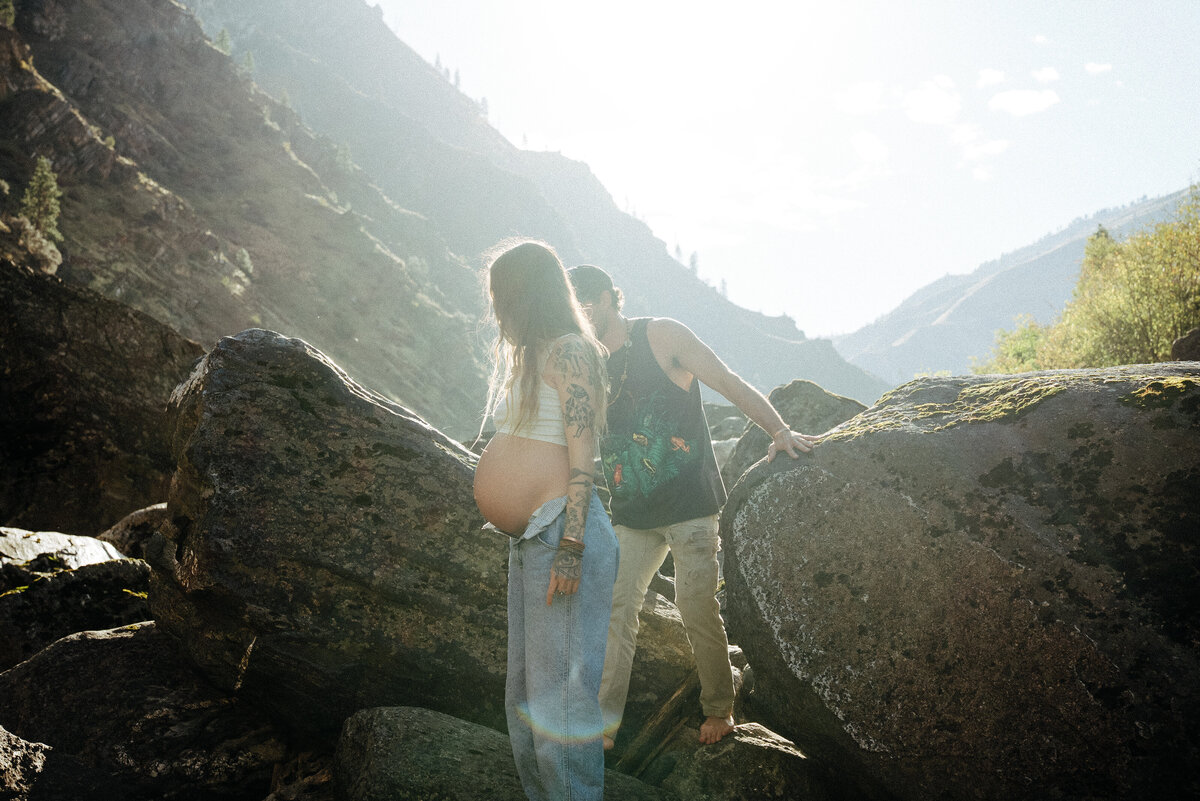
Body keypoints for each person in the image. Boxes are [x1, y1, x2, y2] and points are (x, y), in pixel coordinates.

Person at [567, 264, 819, 749]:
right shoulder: (588, 363)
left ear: (608, 298)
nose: (580, 314)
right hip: (633, 513)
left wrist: (779, 431)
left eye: (586, 303)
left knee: (695, 603)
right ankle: (600, 730)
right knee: (615, 606)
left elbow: (727, 381)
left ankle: (720, 709)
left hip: (690, 505)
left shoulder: (662, 336)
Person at [473, 240, 618, 801]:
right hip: (534, 538)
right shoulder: (532, 357)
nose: (497, 313)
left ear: (526, 296)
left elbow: (584, 460)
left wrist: (573, 546)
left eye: (502, 299)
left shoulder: (570, 353)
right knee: (528, 699)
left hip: (564, 533)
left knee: (560, 702)